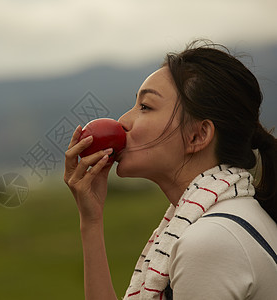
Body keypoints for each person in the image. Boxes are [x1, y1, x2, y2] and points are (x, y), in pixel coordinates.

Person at [64, 40, 277, 300]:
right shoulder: (233, 216)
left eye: (145, 107)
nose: (122, 121)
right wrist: (91, 221)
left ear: (198, 136)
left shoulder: (210, 242)